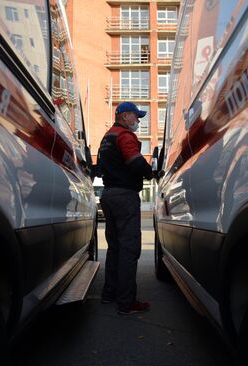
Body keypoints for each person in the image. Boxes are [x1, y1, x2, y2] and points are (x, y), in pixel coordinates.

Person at [97, 101, 153, 315]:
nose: (138, 121)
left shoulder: (107, 137)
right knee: (129, 249)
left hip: (109, 194)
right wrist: (151, 173)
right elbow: (135, 162)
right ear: (125, 115)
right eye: (136, 116)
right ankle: (127, 302)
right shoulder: (125, 136)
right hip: (124, 196)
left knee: (115, 248)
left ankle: (109, 294)